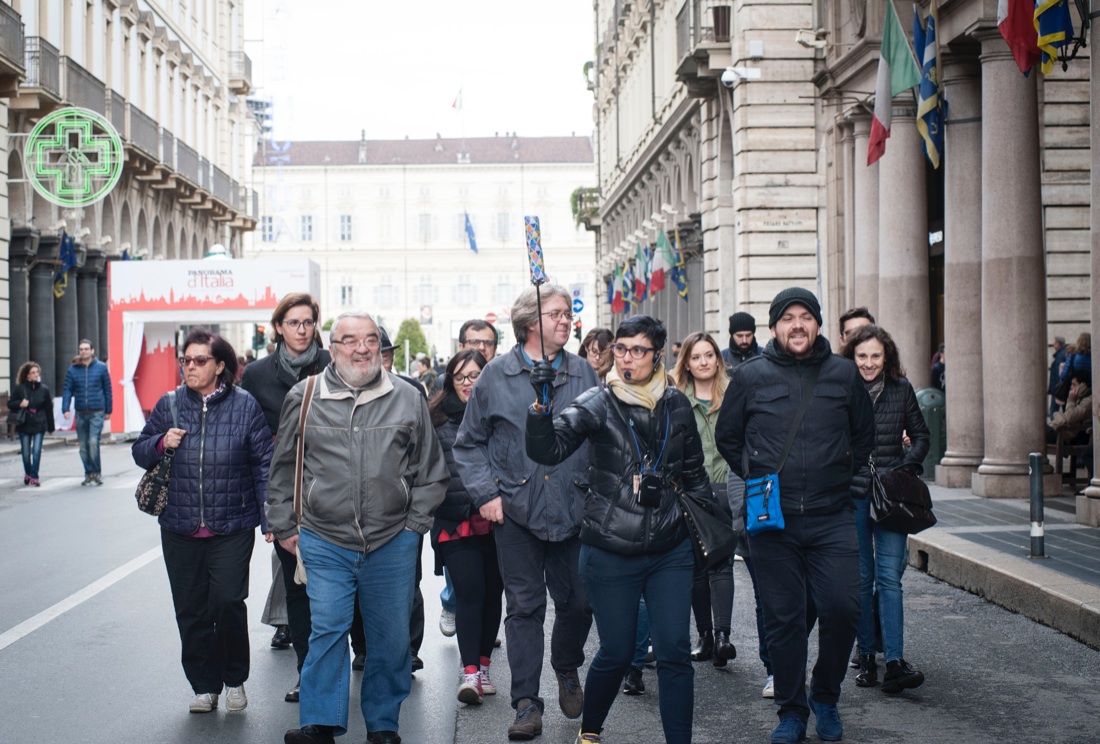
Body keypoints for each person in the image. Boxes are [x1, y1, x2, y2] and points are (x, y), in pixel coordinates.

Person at [525, 314, 710, 744]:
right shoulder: (597, 401)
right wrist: (541, 406)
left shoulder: (677, 403)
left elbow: (695, 473)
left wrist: (707, 529)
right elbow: (547, 450)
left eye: (638, 350)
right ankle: (590, 730)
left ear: (658, 355)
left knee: (674, 653)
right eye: (621, 349)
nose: (626, 359)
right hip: (610, 548)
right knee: (617, 650)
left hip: (669, 548)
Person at [268, 311, 448, 744]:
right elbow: (283, 468)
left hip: (392, 540)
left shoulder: (408, 396)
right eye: (350, 340)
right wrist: (285, 523)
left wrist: (413, 527)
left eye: (369, 340)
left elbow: (431, 470)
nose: (361, 348)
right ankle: (320, 721)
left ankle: (384, 724)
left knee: (389, 638)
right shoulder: (305, 395)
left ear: (380, 348)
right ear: (333, 347)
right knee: (327, 628)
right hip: (324, 537)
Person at [716, 287, 874, 744]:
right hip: (774, 521)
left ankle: (825, 695)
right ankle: (791, 711)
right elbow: (730, 438)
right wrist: (756, 471)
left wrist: (853, 477)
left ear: (819, 326)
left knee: (844, 609)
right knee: (783, 620)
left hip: (832, 516)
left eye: (806, 316)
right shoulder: (750, 376)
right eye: (788, 318)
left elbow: (863, 436)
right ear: (774, 328)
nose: (798, 325)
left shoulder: (844, 374)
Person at [453, 284, 597, 741]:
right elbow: (469, 444)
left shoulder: (584, 373)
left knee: (579, 602)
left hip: (574, 508)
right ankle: (526, 703)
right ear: (529, 323)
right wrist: (486, 494)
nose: (566, 320)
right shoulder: (495, 375)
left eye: (567, 313)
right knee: (524, 607)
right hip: (514, 509)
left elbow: (601, 436)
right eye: (555, 313)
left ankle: (566, 664)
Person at [131, 328, 274, 714]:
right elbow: (140, 451)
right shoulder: (169, 404)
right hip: (179, 525)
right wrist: (161, 443)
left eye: (199, 361)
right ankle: (204, 686)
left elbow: (263, 463)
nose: (190, 367)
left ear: (220, 365)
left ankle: (235, 678)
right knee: (190, 607)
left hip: (232, 523)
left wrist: (269, 518)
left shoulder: (245, 406)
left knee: (227, 601)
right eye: (185, 361)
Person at [240, 292, 331, 702]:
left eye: (307, 322)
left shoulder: (332, 365)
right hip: (286, 493)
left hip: (334, 489)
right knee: (298, 588)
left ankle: (340, 664)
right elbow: (250, 438)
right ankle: (308, 673)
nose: (301, 330)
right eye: (293, 323)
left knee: (338, 586)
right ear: (278, 327)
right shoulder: (258, 374)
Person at [841, 325, 931, 693]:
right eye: (862, 356)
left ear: (886, 356)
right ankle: (865, 656)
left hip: (892, 494)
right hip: (856, 491)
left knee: (889, 578)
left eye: (875, 356)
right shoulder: (841, 388)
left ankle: (894, 660)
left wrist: (904, 468)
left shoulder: (901, 388)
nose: (868, 363)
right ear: (852, 357)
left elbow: (922, 436)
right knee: (862, 578)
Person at [428, 348, 504, 706]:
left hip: (500, 520)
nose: (467, 384)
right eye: (460, 377)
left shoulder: (501, 413)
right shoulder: (436, 417)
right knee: (471, 592)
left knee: (493, 594)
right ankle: (470, 671)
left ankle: (484, 665)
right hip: (454, 520)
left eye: (474, 376)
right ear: (450, 381)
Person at [671, 332, 736, 670]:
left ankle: (724, 635)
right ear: (687, 363)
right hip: (693, 494)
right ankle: (705, 634)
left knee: (723, 561)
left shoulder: (733, 394)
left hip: (728, 489)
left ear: (717, 359)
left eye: (709, 355)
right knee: (698, 564)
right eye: (696, 357)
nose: (704, 362)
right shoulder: (677, 399)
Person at [432, 319, 501, 636]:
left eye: (486, 344)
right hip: (455, 513)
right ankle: (452, 603)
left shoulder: (503, 393)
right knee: (468, 586)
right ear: (461, 348)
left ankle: (479, 659)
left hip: (497, 512)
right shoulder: (438, 406)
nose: (480, 349)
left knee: (490, 592)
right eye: (473, 343)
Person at [61, 338, 113, 486]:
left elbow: (108, 389)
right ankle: (88, 473)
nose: (83, 351)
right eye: (81, 349)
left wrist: (109, 410)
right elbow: (67, 389)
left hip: (97, 411)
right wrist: (65, 408)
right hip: (81, 411)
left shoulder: (101, 368)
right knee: (83, 446)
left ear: (92, 351)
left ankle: (96, 473)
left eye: (86, 349)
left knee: (93, 442)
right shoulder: (73, 369)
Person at [8, 361, 55, 486]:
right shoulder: (20, 388)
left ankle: (34, 476)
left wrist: (51, 426)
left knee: (37, 451)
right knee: (26, 453)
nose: (35, 374)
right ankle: (28, 473)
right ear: (27, 375)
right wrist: (20, 404)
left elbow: (48, 409)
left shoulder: (44, 389)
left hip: (40, 422)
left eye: (37, 372)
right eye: (33, 373)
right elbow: (10, 404)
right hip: (25, 423)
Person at [1046, 369, 1092, 446]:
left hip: (1066, 436)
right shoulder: (1079, 398)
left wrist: (1071, 400)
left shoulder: (1088, 401)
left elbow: (1069, 417)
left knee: (1038, 434)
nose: (1071, 387)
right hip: (1061, 432)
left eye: (1074, 385)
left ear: (1082, 385)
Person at [1055, 332, 1091, 406]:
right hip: (1089, 393)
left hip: (1073, 393)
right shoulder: (1094, 358)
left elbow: (1063, 376)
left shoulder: (1073, 357)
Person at [1049, 336, 1067, 416]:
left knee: (1053, 411)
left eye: (1054, 343)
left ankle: (1053, 428)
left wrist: (1056, 389)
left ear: (1058, 344)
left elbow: (1058, 374)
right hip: (1062, 387)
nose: (1053, 344)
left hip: (1058, 389)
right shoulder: (1063, 354)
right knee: (1065, 410)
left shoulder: (1060, 356)